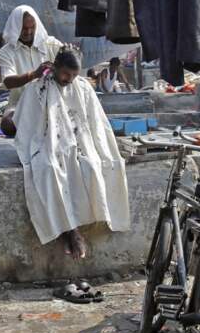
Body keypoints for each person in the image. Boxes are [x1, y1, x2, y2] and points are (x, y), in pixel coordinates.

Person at [13, 47, 131, 260]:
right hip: (45, 143)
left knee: (92, 164)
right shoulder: (36, 88)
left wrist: (90, 145)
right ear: (55, 67)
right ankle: (71, 232)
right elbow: (27, 126)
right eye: (66, 73)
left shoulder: (83, 88)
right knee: (49, 169)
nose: (70, 79)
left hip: (78, 141)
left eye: (75, 75)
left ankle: (72, 230)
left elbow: (95, 123)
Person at [0, 5, 63, 136]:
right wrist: (34, 74)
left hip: (51, 100)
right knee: (8, 124)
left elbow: (68, 61)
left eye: (31, 27)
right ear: (16, 27)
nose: (28, 32)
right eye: (24, 28)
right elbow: (8, 82)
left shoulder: (52, 45)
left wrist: (70, 53)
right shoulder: (7, 52)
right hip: (20, 103)